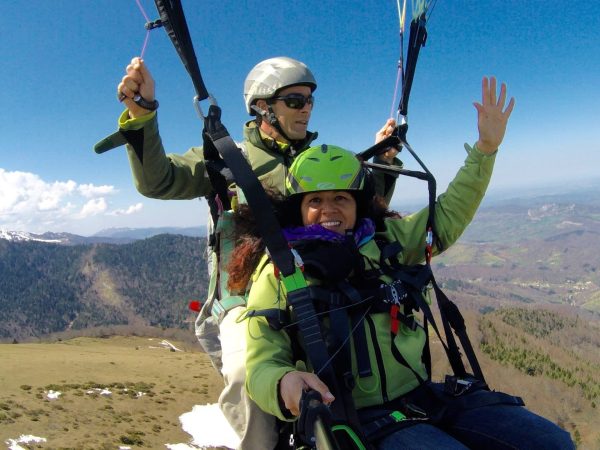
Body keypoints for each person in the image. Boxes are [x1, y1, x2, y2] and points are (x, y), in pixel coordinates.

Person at [240, 78, 575, 449]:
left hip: (424, 398)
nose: (329, 209)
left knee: (552, 441)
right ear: (298, 209)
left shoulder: (386, 240)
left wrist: (485, 149)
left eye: (341, 198)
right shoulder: (280, 271)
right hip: (358, 417)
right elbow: (261, 359)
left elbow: (446, 215)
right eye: (314, 200)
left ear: (359, 204)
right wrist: (282, 382)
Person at [96, 55, 401, 449]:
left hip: (319, 282)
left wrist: (382, 165)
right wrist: (142, 116)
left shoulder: (318, 159)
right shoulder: (228, 159)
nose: (306, 108)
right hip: (250, 296)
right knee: (246, 372)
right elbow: (160, 181)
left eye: (309, 100)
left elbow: (357, 212)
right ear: (262, 107)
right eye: (294, 100)